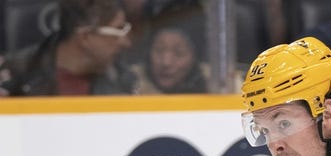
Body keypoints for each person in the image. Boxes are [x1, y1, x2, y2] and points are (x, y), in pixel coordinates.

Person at [0, 0, 137, 96]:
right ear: (85, 37)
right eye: (118, 31)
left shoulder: (123, 80)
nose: (126, 42)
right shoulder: (12, 76)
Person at [132, 11, 210, 93]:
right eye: (159, 50)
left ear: (195, 57)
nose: (166, 62)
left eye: (179, 53)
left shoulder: (215, 84)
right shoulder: (131, 84)